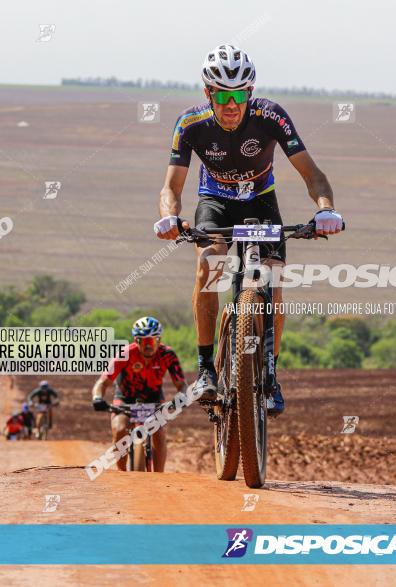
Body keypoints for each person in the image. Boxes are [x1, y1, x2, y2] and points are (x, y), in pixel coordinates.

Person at [153, 44, 344, 417]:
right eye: (222, 95)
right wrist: (169, 217)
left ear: (250, 93)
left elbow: (313, 174)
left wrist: (326, 210)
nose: (231, 104)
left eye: (239, 94)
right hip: (216, 200)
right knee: (208, 267)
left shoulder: (272, 116)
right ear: (208, 93)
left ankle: (269, 375)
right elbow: (171, 188)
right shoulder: (191, 125)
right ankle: (206, 367)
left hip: (261, 200)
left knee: (272, 279)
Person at [90, 316, 186, 472]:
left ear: (159, 339)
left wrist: (181, 397)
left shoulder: (167, 355)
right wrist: (97, 397)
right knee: (120, 429)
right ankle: (122, 474)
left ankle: (159, 476)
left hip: (153, 398)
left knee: (159, 431)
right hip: (125, 397)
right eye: (144, 341)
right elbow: (102, 382)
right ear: (136, 340)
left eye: (153, 341)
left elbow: (181, 384)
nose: (149, 346)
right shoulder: (125, 354)